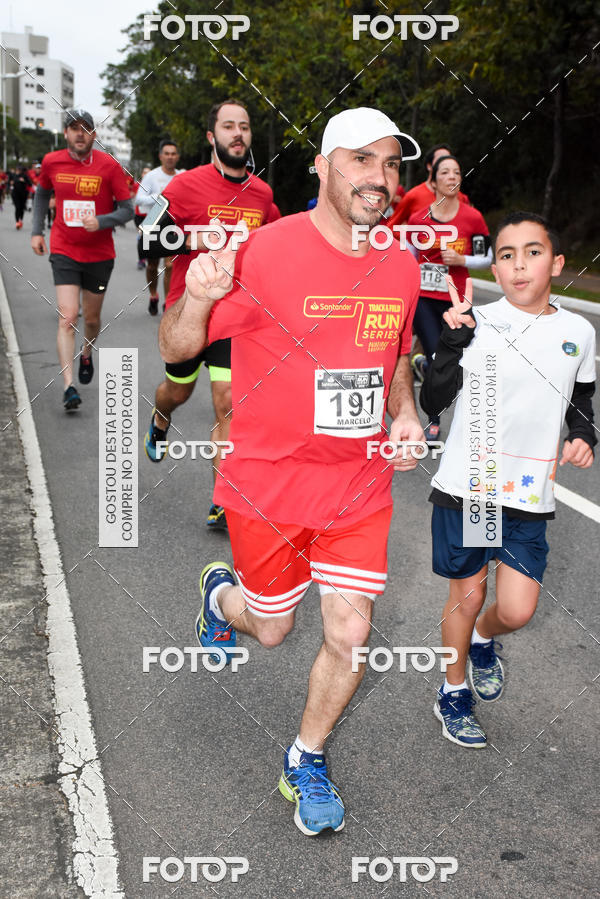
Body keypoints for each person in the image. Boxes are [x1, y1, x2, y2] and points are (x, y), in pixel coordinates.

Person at [159, 107, 425, 834]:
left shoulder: (400, 264)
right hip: (269, 483)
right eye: (363, 160)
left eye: (392, 165)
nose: (380, 178)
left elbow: (396, 356)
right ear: (323, 166)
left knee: (350, 632)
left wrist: (404, 411)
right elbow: (176, 349)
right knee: (272, 627)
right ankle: (223, 599)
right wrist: (201, 295)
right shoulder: (264, 251)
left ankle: (305, 757)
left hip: (358, 485)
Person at [420, 211, 596, 749]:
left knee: (516, 610)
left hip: (529, 495)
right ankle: (453, 693)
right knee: (467, 595)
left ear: (558, 263)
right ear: (494, 269)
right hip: (473, 487)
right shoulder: (478, 323)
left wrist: (584, 435)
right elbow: (434, 401)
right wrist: (449, 346)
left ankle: (481, 641)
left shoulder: (578, 332)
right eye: (506, 255)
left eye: (533, 252)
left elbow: (581, 397)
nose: (519, 265)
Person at [144, 99, 274, 531]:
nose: (238, 133)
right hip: (189, 312)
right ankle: (160, 418)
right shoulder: (184, 187)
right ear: (211, 137)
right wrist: (195, 238)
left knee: (228, 402)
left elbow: (276, 248)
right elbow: (148, 242)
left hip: (234, 316)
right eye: (228, 126)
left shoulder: (262, 195)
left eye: (244, 126)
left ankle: (223, 497)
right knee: (176, 393)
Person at [31, 108, 134, 411]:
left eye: (85, 128)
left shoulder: (109, 166)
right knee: (68, 317)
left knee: (90, 319)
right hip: (63, 248)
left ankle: (87, 352)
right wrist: (37, 231)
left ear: (94, 134)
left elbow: (127, 210)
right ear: (65, 134)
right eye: (74, 128)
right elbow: (40, 195)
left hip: (100, 255)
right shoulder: (52, 162)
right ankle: (69, 385)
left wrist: (102, 221)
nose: (80, 133)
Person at [406, 154, 491, 441]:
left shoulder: (473, 217)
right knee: (435, 352)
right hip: (426, 298)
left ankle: (466, 415)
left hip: (457, 300)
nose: (452, 177)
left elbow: (486, 257)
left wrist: (461, 259)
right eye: (445, 173)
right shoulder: (419, 219)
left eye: (456, 172)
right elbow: (407, 258)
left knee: (457, 359)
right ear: (434, 180)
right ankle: (433, 420)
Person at [134, 141, 182, 314]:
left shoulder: (181, 176)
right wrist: (159, 197)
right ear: (161, 156)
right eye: (167, 153)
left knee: (170, 265)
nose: (170, 157)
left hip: (173, 222)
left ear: (178, 157)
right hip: (153, 219)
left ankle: (167, 302)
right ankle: (153, 295)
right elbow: (139, 199)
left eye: (173, 153)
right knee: (152, 265)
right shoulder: (152, 176)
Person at [388, 143, 469, 227]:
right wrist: (412, 235)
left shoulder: (461, 197)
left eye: (448, 159)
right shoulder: (413, 196)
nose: (445, 163)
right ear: (429, 166)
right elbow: (391, 227)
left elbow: (470, 228)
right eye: (440, 159)